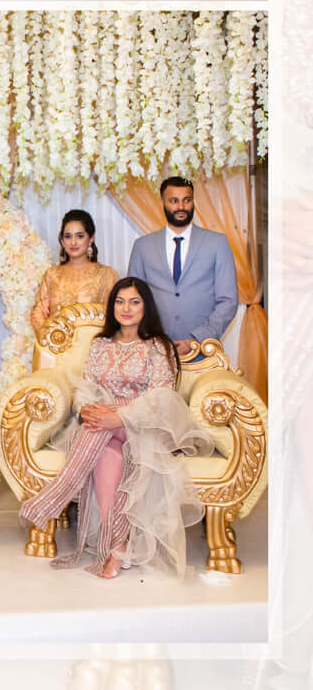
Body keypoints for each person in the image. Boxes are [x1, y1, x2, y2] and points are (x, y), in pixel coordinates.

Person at [17, 278, 213, 579]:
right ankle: (116, 548)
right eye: (120, 301)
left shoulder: (157, 346)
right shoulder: (100, 344)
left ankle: (56, 496)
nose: (126, 308)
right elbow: (87, 386)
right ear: (113, 306)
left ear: (145, 306)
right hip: (106, 423)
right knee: (104, 442)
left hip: (145, 423)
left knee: (102, 432)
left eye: (134, 301)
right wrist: (86, 408)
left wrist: (119, 417)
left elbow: (160, 397)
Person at [125, 176, 238, 357]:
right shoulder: (142, 246)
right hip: (154, 352)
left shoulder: (217, 243)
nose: (181, 207)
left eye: (187, 200)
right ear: (163, 202)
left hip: (203, 351)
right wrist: (151, 339)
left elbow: (228, 301)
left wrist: (196, 339)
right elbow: (133, 299)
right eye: (174, 201)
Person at [31, 209, 120, 334]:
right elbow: (38, 313)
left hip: (92, 347)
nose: (73, 242)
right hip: (57, 347)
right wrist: (52, 338)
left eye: (80, 236)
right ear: (62, 240)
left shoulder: (106, 275)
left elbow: (116, 314)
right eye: (68, 236)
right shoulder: (52, 274)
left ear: (91, 238)